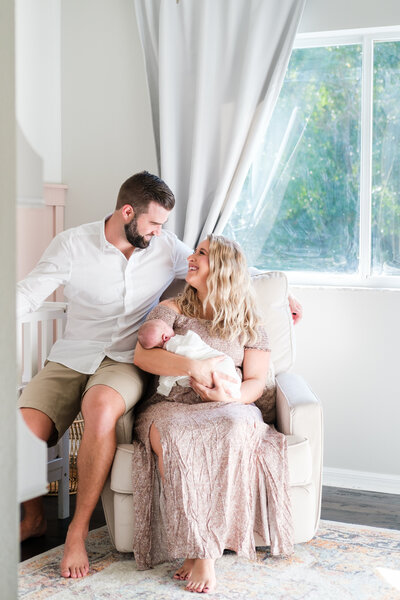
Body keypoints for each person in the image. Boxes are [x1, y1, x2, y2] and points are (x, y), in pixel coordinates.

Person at [17, 171, 193, 579]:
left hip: (125, 360)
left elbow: (219, 267)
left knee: (99, 410)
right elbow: (28, 293)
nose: (158, 232)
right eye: (153, 223)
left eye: (162, 225)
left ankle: (76, 534)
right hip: (73, 354)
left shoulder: (165, 247)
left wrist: (277, 290)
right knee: (22, 431)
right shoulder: (73, 244)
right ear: (127, 212)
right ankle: (33, 518)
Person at [132, 234, 294, 594]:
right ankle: (202, 551)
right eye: (195, 251)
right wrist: (193, 366)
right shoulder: (172, 308)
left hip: (229, 406)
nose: (191, 257)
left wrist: (230, 395)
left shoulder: (250, 322)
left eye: (202, 253)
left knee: (236, 428)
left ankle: (199, 552)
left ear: (221, 267)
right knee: (175, 436)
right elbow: (143, 356)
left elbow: (255, 380)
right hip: (173, 405)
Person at [138, 319, 242, 398]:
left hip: (215, 361)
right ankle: (231, 392)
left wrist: (163, 387)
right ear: (165, 337)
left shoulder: (182, 342)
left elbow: (191, 348)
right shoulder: (172, 342)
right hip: (218, 366)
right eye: (157, 347)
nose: (161, 349)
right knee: (227, 380)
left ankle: (230, 394)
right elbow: (142, 357)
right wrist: (195, 368)